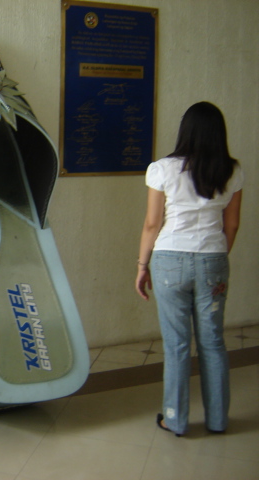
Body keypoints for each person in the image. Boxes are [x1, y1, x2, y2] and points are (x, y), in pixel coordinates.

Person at [135, 101, 243, 437]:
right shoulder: (233, 170)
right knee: (212, 342)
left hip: (169, 262)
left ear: (185, 130)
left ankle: (175, 420)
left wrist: (141, 266)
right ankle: (218, 421)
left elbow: (152, 224)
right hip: (213, 261)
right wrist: (215, 258)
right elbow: (233, 225)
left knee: (177, 344)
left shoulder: (162, 169)